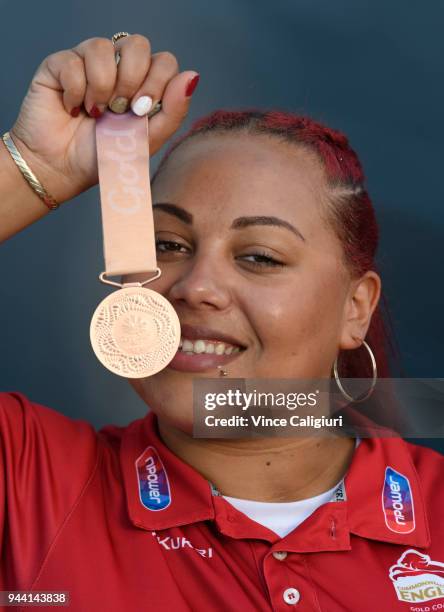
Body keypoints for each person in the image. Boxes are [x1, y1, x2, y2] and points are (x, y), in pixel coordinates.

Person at [0, 33, 443, 612]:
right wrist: (35, 166)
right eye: (168, 243)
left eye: (259, 256)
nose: (196, 287)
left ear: (355, 308)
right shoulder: (26, 479)